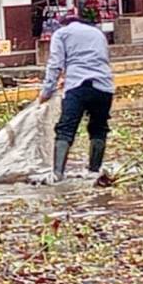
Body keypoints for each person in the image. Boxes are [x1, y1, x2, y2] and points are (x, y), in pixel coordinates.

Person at [38, 14, 115, 181]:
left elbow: (55, 64)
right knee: (99, 128)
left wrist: (46, 92)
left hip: (77, 87)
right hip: (104, 87)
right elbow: (100, 60)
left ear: (63, 24)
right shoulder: (97, 33)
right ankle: (94, 171)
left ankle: (58, 175)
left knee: (65, 129)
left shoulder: (61, 34)